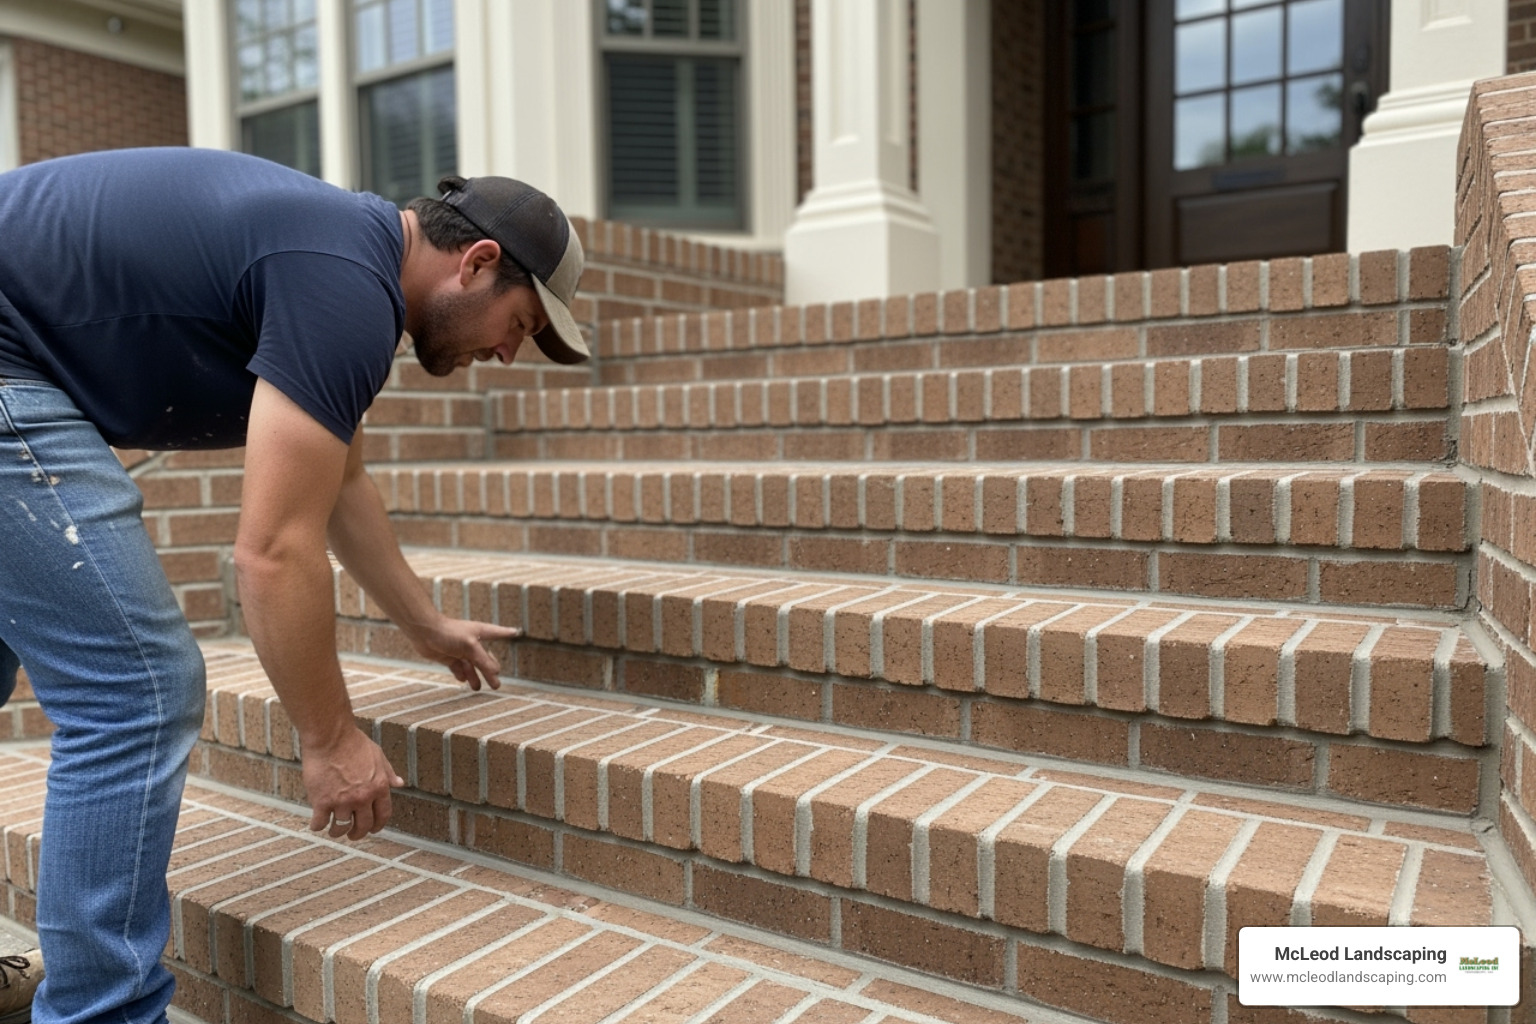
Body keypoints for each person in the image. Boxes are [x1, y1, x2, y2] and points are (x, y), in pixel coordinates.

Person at [0, 147, 588, 1023]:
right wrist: (332, 736)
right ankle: (101, 1013)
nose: (509, 353)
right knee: (141, 690)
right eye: (523, 324)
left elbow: (340, 483)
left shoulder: (334, 260)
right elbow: (271, 551)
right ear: (479, 262)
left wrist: (424, 624)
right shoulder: (342, 279)